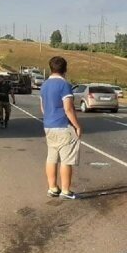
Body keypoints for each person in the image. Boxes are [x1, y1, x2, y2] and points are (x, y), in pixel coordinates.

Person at [40, 56, 83, 200]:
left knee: (51, 157)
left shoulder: (44, 85)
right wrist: (77, 126)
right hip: (63, 126)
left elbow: (43, 108)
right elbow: (68, 108)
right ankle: (66, 190)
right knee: (66, 160)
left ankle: (52, 188)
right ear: (65, 69)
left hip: (49, 126)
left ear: (50, 68)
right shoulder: (64, 85)